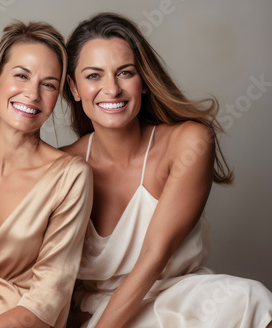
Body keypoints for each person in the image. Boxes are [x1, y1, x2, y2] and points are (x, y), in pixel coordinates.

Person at [62, 12, 272, 328]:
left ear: (143, 80)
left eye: (125, 72)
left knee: (251, 298)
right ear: (74, 88)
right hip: (97, 311)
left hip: (184, 297)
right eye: (93, 76)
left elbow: (154, 256)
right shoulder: (59, 166)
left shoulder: (189, 142)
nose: (112, 88)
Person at [0, 21, 93, 328]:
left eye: (48, 84)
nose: (32, 93)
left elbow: (49, 300)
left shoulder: (71, 177)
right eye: (21, 76)